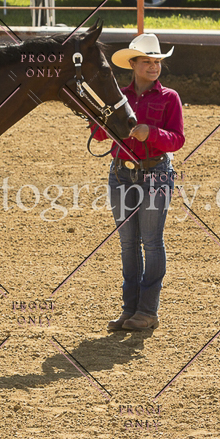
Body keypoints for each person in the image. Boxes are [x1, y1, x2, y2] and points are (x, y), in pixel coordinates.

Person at [89, 34, 185, 332]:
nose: (154, 66)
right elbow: (98, 134)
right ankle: (129, 309)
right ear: (133, 64)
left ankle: (147, 311)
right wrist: (98, 118)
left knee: (151, 242)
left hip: (156, 173)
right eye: (147, 61)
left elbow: (177, 140)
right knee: (128, 244)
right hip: (120, 174)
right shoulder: (117, 96)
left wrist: (151, 133)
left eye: (157, 61)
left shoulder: (169, 97)